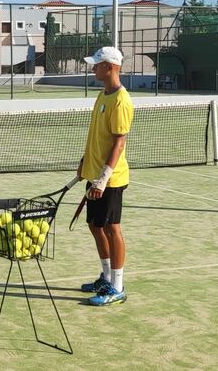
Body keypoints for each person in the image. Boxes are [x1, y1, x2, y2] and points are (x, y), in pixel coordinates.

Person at [77, 46, 134, 306]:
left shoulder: (121, 101)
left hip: (110, 178)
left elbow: (119, 143)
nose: (93, 68)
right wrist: (85, 162)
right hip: (95, 172)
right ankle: (107, 276)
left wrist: (103, 178)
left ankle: (117, 287)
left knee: (112, 228)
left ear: (109, 67)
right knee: (94, 225)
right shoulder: (102, 95)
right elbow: (96, 135)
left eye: (97, 65)